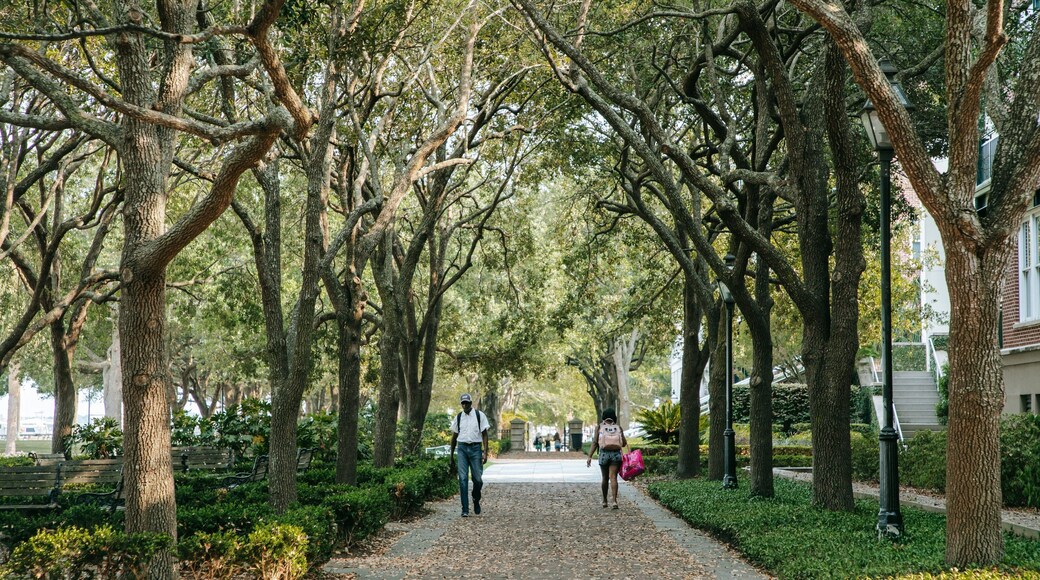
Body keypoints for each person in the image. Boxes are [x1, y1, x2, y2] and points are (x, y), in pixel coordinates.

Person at [449, 393, 489, 517]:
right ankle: (465, 509)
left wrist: (485, 452)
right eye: (463, 403)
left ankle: (476, 499)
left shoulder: (479, 415)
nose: (465, 405)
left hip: (476, 449)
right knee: (463, 479)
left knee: (478, 479)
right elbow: (454, 437)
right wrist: (451, 456)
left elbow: (485, 434)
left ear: (471, 403)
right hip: (462, 449)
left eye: (467, 403)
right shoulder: (459, 417)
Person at [586, 408, 627, 509]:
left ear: (604, 416)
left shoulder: (599, 427)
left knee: (605, 478)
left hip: (604, 454)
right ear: (614, 416)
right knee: (613, 477)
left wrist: (590, 456)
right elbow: (624, 443)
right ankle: (614, 501)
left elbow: (595, 443)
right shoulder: (618, 427)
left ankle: (604, 501)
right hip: (616, 455)